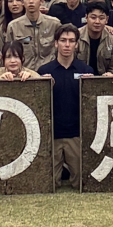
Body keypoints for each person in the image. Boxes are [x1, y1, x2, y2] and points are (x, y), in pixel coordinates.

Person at [39, 24, 94, 190]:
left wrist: (91, 85)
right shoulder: (44, 71)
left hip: (76, 134)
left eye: (71, 41)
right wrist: (42, 83)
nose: (67, 45)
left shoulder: (86, 70)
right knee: (49, 185)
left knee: (81, 183)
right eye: (63, 40)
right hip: (52, 135)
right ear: (56, 43)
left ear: (77, 44)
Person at [6, 0, 61, 70]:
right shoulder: (13, 26)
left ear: (42, 1)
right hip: (24, 74)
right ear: (22, 2)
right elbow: (9, 54)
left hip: (49, 73)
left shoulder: (54, 24)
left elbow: (60, 50)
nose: (31, 1)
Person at [76, 0, 113, 75]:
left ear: (107, 20)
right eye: (93, 17)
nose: (97, 21)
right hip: (79, 78)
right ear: (86, 18)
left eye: (101, 18)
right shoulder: (76, 37)